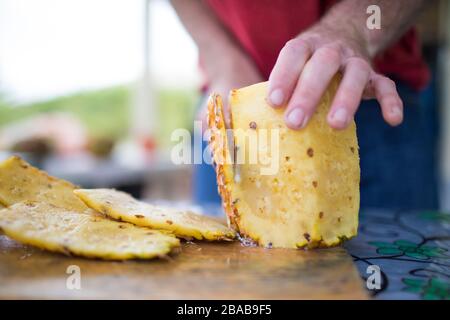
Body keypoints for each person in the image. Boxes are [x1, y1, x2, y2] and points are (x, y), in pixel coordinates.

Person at [171, 0, 439, 210]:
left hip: (359, 95)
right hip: (229, 105)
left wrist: (355, 27)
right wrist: (222, 60)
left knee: (390, 274)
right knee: (223, 273)